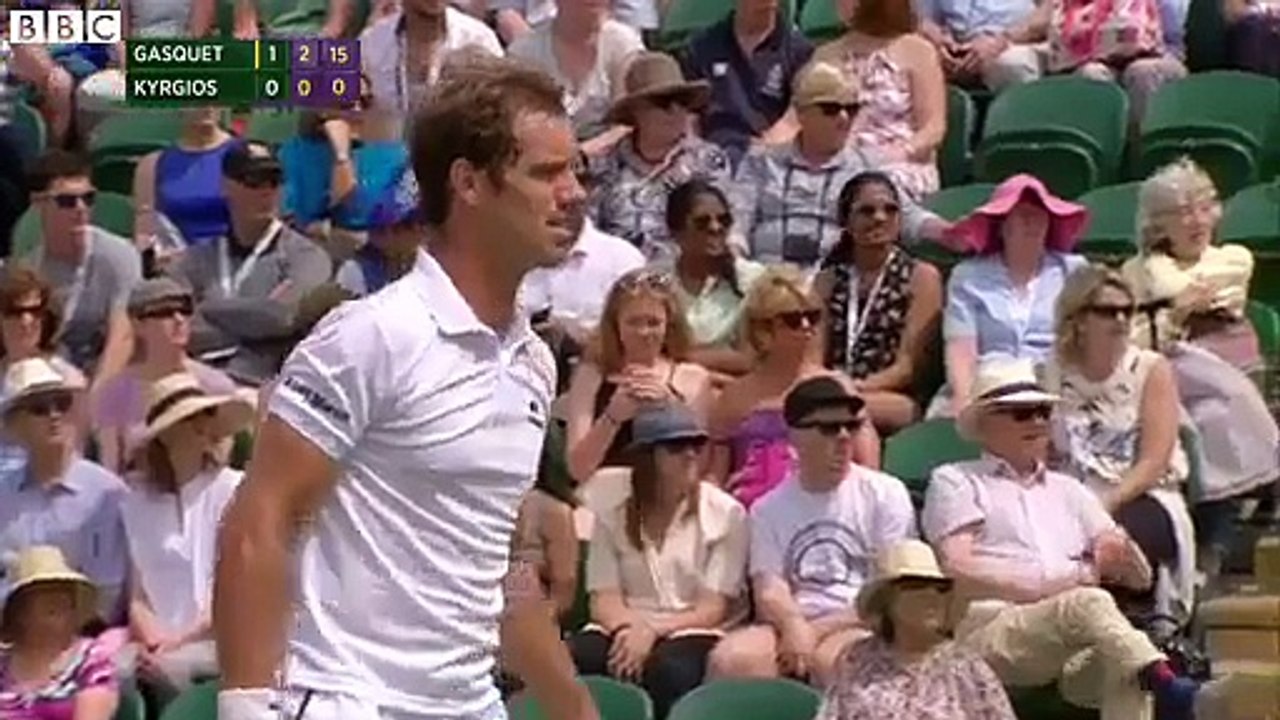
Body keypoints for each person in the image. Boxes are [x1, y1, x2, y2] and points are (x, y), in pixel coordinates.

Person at [212, 56, 598, 720]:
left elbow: (491, 573)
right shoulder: (372, 337)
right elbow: (258, 521)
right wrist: (245, 708)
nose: (574, 193)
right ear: (469, 183)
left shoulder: (533, 364)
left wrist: (577, 710)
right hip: (344, 700)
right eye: (546, 173)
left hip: (468, 704)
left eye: (575, 171)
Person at [923, 358, 1206, 720]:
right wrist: (1065, 581)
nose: (1038, 422)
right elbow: (958, 567)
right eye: (1022, 413)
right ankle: (1172, 689)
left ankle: (1158, 680)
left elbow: (1139, 578)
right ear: (985, 422)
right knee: (1087, 602)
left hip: (1068, 640)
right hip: (991, 632)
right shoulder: (957, 481)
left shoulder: (1070, 490)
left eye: (1043, 411)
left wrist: (1124, 555)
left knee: (1124, 667)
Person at [708, 376, 913, 687]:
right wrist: (792, 624)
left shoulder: (886, 494)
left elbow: (890, 590)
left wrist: (812, 631)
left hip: (861, 620)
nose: (844, 437)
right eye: (829, 428)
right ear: (795, 436)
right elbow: (768, 588)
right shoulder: (768, 508)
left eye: (851, 426)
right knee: (733, 660)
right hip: (791, 620)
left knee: (835, 662)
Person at [569, 404, 749, 718]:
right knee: (575, 657)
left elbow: (711, 610)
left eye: (697, 444)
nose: (691, 454)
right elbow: (604, 600)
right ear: (647, 457)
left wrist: (650, 630)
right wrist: (632, 628)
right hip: (623, 623)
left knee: (669, 670)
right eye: (677, 446)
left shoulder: (726, 514)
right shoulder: (612, 510)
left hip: (691, 628)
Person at [125, 374, 256, 703]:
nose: (203, 425)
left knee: (173, 671)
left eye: (205, 415)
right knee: (110, 674)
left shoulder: (234, 490)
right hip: (157, 644)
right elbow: (137, 596)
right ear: (166, 435)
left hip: (222, 640)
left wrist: (176, 642)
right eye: (190, 418)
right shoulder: (136, 503)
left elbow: (233, 590)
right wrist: (155, 640)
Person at [816, 540, 1016, 720]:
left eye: (939, 586)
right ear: (887, 599)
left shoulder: (967, 668)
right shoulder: (857, 661)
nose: (931, 595)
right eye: (917, 585)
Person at [0, 546, 121, 720]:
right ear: (20, 611)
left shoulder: (91, 660)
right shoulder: (3, 663)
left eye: (63, 598)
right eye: (44, 596)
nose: (56, 606)